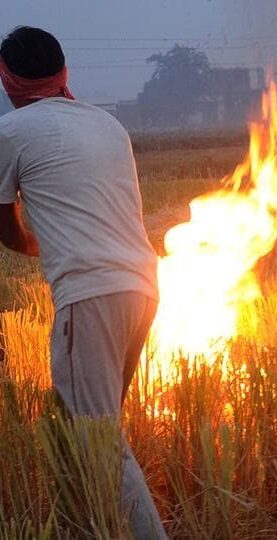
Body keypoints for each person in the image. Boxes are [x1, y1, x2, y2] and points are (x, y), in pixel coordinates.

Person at [0, 26, 166, 539]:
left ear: (8, 81)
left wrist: (31, 244)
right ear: (64, 73)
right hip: (144, 288)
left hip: (90, 295)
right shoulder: (109, 124)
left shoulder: (11, 132)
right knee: (88, 432)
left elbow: (4, 224)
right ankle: (87, 527)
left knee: (97, 439)